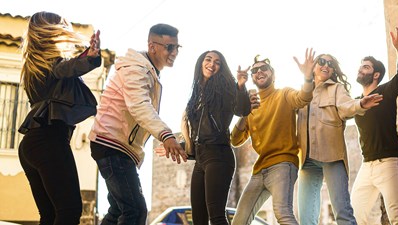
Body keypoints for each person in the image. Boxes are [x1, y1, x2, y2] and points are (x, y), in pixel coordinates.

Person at [89, 24, 187, 225]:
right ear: (153, 46)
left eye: (178, 47)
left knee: (118, 211)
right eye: (170, 47)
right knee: (135, 211)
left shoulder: (146, 70)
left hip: (116, 145)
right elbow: (139, 105)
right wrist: (166, 135)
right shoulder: (136, 69)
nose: (175, 52)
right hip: (112, 144)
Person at [17, 11, 101, 225]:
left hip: (30, 146)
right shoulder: (51, 64)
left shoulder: (32, 67)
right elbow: (67, 68)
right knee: (69, 211)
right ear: (52, 33)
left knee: (50, 216)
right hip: (48, 141)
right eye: (63, 28)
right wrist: (90, 57)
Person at [230, 49, 315, 225]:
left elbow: (303, 98)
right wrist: (245, 111)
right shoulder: (250, 106)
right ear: (252, 78)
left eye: (264, 68)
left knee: (282, 212)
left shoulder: (283, 94)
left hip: (283, 163)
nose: (259, 71)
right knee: (239, 220)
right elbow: (235, 139)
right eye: (254, 70)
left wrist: (307, 78)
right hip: (259, 169)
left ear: (273, 74)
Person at [296, 54, 383, 225]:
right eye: (321, 62)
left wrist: (360, 104)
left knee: (342, 212)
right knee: (306, 219)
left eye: (330, 64)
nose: (326, 65)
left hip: (332, 156)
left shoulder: (337, 89)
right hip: (306, 159)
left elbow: (346, 106)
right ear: (313, 66)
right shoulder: (302, 92)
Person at [350, 27, 398, 225]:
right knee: (354, 215)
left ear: (376, 75)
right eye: (361, 66)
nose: (361, 69)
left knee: (397, 216)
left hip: (388, 163)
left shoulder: (386, 91)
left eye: (366, 67)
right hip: (367, 166)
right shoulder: (356, 102)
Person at [183, 50, 251, 225]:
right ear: (201, 63)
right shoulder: (196, 95)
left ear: (221, 68)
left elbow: (242, 110)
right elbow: (198, 134)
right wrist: (180, 146)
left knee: (217, 216)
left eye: (217, 62)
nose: (211, 64)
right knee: (198, 219)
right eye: (208, 60)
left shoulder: (225, 88)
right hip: (201, 159)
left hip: (219, 155)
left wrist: (241, 86)